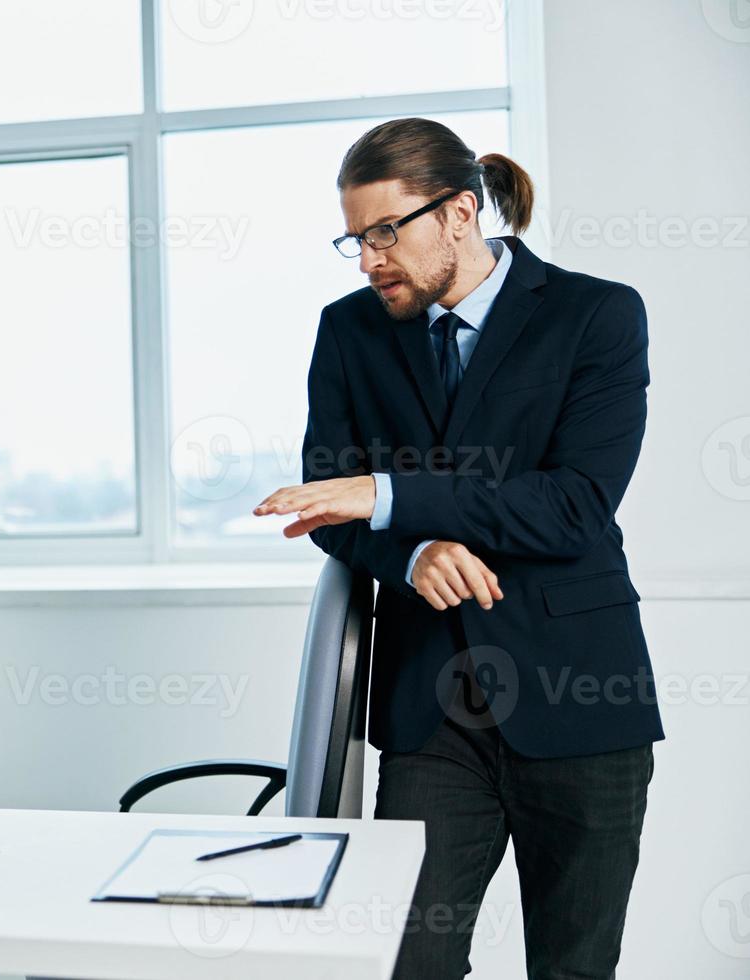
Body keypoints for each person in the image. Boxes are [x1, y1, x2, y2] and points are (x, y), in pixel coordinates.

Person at [254, 117, 662, 979]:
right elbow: (328, 507)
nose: (369, 260)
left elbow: (575, 507)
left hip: (581, 693)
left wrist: (390, 495)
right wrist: (406, 553)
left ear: (461, 213)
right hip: (429, 709)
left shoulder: (596, 316)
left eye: (385, 233)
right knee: (410, 960)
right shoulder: (349, 331)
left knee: (574, 968)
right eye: (355, 238)